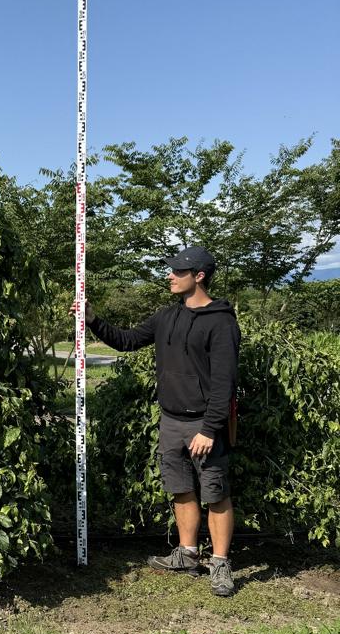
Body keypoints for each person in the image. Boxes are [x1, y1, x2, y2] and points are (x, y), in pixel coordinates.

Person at [77, 246, 240, 597]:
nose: (170, 275)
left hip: (204, 425)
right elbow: (127, 340)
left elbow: (225, 381)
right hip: (170, 421)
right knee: (181, 489)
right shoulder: (166, 316)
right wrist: (92, 319)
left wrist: (210, 429)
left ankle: (221, 563)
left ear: (198, 276)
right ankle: (187, 554)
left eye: (177, 271)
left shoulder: (221, 322)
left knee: (216, 493)